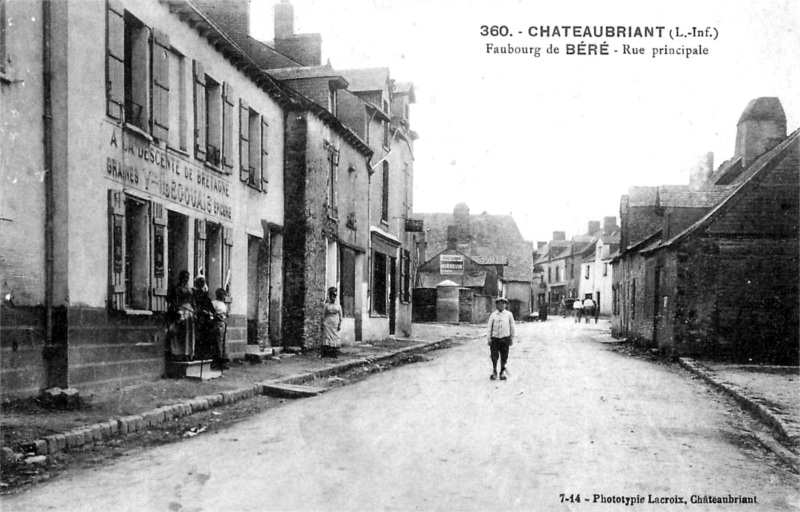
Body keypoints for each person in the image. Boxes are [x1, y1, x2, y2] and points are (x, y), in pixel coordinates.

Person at [166, 270, 195, 361]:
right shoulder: (176, 288)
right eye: (185, 277)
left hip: (189, 312)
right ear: (181, 277)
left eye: (187, 277)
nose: (186, 279)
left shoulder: (189, 289)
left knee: (188, 333)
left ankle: (187, 353)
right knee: (179, 333)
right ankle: (177, 353)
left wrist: (194, 309)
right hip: (180, 311)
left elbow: (192, 300)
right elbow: (170, 299)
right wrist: (177, 309)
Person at [487, 297, 515, 381]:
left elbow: (512, 326)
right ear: (496, 305)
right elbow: (489, 327)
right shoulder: (493, 315)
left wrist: (511, 338)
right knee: (494, 356)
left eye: (503, 303)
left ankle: (502, 372)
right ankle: (494, 371)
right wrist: (489, 338)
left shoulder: (508, 314)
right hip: (495, 338)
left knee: (504, 356)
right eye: (499, 303)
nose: (501, 305)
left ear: (505, 305)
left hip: (505, 338)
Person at [192, 276, 215, 360]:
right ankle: (197, 353)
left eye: (203, 283)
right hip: (197, 316)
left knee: (205, 337)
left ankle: (204, 354)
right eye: (200, 282)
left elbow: (210, 306)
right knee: (197, 336)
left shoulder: (204, 294)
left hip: (204, 318)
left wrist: (210, 312)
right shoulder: (194, 293)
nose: (202, 284)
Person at [320, 287, 343, 358]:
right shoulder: (326, 305)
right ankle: (325, 352)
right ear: (330, 297)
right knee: (327, 336)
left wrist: (339, 324)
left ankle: (333, 353)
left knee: (335, 337)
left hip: (335, 323)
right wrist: (322, 323)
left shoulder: (338, 306)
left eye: (334, 296)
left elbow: (340, 316)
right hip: (327, 322)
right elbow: (323, 314)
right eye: (331, 296)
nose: (333, 298)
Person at [210, 288, 229, 370]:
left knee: (223, 342)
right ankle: (217, 361)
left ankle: (223, 361)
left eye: (224, 295)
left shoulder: (223, 304)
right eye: (221, 294)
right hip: (217, 323)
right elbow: (211, 313)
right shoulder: (214, 303)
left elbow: (225, 314)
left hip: (223, 323)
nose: (223, 296)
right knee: (218, 342)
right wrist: (215, 317)